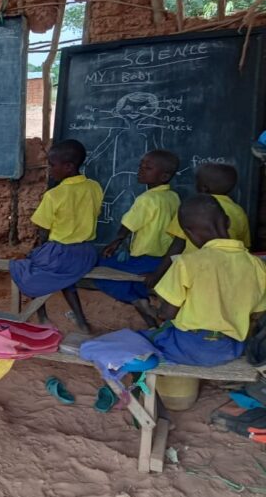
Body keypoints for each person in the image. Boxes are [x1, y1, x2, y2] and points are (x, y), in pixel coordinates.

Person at [148, 194, 266, 366]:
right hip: (231, 348)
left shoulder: (186, 263)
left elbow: (168, 313)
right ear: (227, 222)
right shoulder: (256, 265)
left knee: (146, 338)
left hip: (189, 347)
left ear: (187, 233)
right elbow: (257, 313)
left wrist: (159, 312)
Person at [10, 140, 103, 333]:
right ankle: (81, 320)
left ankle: (42, 316)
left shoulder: (54, 195)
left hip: (60, 253)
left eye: (52, 165)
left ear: (69, 167)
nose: (49, 169)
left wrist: (39, 250)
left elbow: (43, 231)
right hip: (86, 254)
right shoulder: (94, 187)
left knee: (23, 267)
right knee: (65, 279)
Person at [95, 150, 181, 326]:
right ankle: (148, 318)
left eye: (148, 168)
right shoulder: (174, 197)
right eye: (140, 166)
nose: (140, 170)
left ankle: (137, 300)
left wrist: (116, 242)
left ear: (164, 176)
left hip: (145, 259)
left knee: (101, 271)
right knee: (128, 278)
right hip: (164, 260)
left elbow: (129, 224)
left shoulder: (147, 199)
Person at [147, 162, 250, 287]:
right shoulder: (239, 212)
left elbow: (178, 244)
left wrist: (157, 275)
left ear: (204, 188)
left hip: (192, 270)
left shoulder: (193, 209)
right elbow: (245, 246)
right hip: (226, 274)